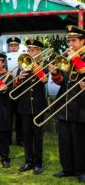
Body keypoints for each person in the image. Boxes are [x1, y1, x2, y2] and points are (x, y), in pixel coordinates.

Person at [49, 25, 85, 183]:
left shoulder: (78, 57)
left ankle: (82, 170)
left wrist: (75, 58)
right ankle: (67, 168)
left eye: (74, 41)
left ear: (83, 41)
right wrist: (55, 73)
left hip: (80, 106)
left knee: (80, 141)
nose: (70, 44)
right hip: (64, 104)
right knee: (64, 140)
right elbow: (62, 82)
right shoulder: (69, 58)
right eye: (69, 41)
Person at [15, 39, 48, 175]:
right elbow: (15, 85)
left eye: (33, 50)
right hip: (24, 105)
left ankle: (38, 163)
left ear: (39, 52)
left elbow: (44, 79)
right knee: (27, 135)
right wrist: (19, 78)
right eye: (28, 50)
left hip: (39, 105)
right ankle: (28, 161)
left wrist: (34, 66)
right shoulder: (22, 65)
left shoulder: (45, 64)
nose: (30, 52)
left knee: (38, 136)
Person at [6, 37, 23, 147]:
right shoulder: (4, 56)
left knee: (20, 116)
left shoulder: (23, 56)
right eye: (11, 45)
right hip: (7, 89)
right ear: (8, 46)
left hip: (20, 90)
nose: (13, 47)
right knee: (7, 116)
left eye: (15, 45)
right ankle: (7, 139)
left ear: (18, 46)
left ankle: (20, 139)